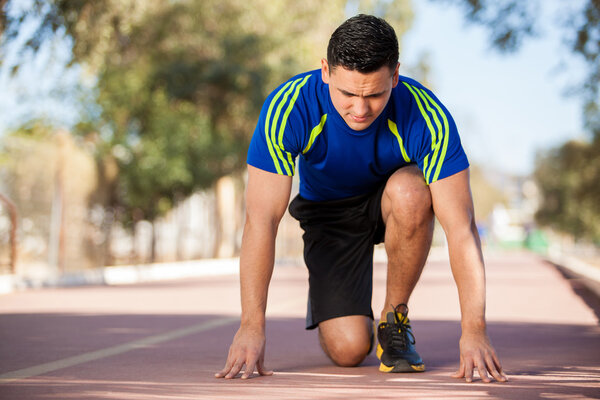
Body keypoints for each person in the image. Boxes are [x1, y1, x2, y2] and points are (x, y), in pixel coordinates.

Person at [215, 14, 507, 383]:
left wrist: (475, 330)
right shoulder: (289, 107)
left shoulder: (426, 115)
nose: (360, 109)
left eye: (375, 94)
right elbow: (261, 222)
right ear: (325, 71)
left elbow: (461, 230)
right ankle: (343, 305)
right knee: (349, 351)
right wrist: (251, 327)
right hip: (330, 214)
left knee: (411, 190)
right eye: (347, 93)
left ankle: (393, 318)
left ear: (395, 75)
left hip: (394, 200)